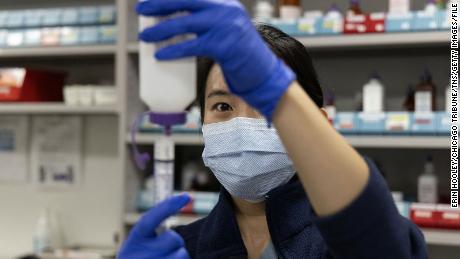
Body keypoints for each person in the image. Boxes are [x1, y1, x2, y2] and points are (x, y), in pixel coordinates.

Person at [118, 1, 428, 258]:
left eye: (267, 106)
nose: (242, 125)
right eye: (223, 107)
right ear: (201, 123)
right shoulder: (182, 248)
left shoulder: (342, 244)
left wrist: (278, 90)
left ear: (317, 122)